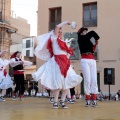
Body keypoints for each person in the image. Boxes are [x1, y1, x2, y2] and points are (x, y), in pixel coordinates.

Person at [32, 21, 82, 109]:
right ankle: (55, 102)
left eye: (61, 32)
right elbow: (57, 26)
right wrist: (66, 22)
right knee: (58, 84)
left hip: (65, 63)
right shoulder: (54, 39)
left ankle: (62, 101)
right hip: (57, 62)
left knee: (67, 83)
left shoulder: (64, 43)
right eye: (59, 32)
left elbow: (67, 54)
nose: (60, 33)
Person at [77, 27, 100, 107]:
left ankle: (94, 99)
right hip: (84, 59)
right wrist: (95, 36)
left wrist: (95, 43)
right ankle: (87, 99)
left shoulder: (88, 39)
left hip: (92, 59)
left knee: (94, 80)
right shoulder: (80, 38)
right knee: (87, 79)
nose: (86, 32)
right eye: (84, 31)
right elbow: (91, 33)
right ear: (80, 32)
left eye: (86, 31)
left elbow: (94, 49)